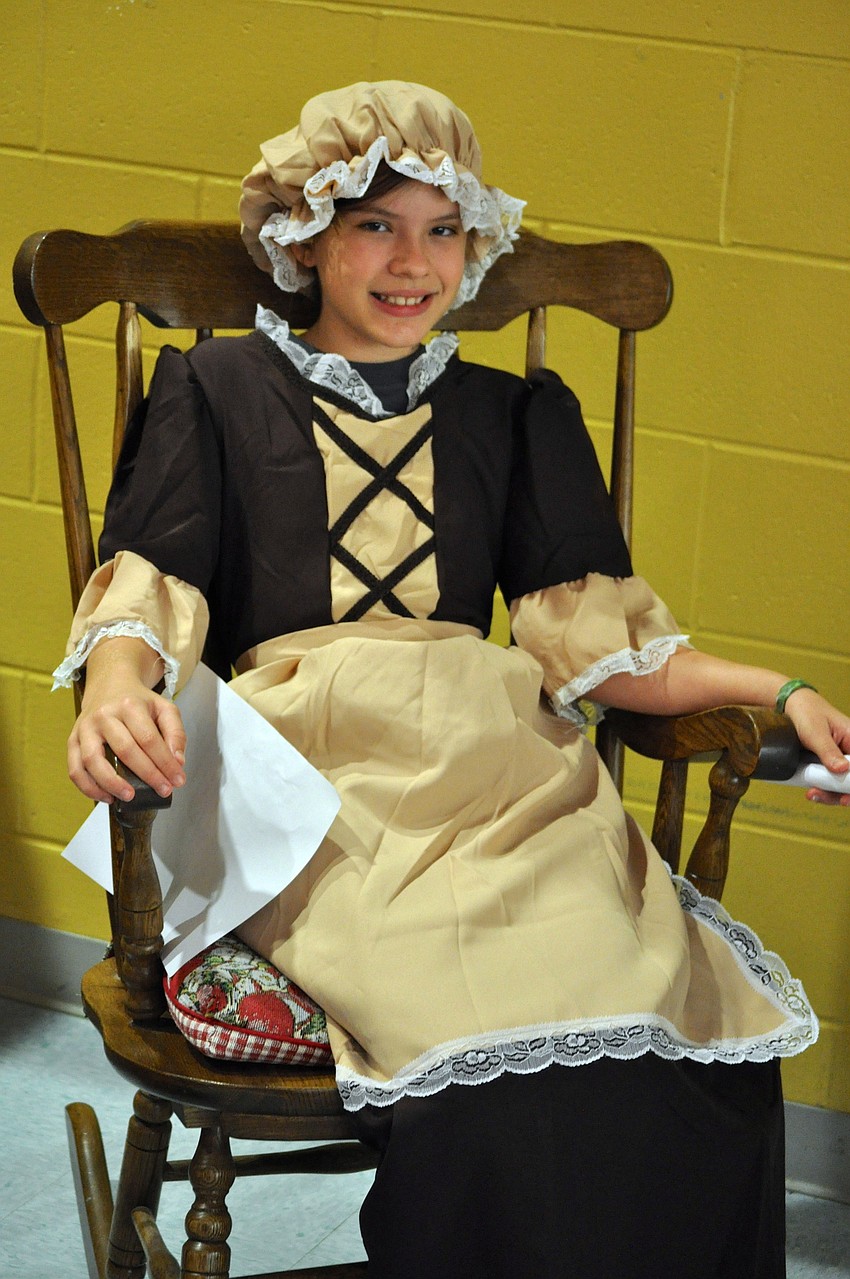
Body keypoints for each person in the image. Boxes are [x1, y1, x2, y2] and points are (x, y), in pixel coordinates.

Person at [54, 82, 849, 1277]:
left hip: (503, 771)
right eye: (374, 224)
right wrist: (118, 687)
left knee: (675, 1027)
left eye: (443, 229)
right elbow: (147, 586)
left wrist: (778, 686)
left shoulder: (512, 414)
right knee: (470, 1049)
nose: (411, 261)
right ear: (304, 236)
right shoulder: (215, 390)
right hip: (319, 780)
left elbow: (599, 643)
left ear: (475, 246)